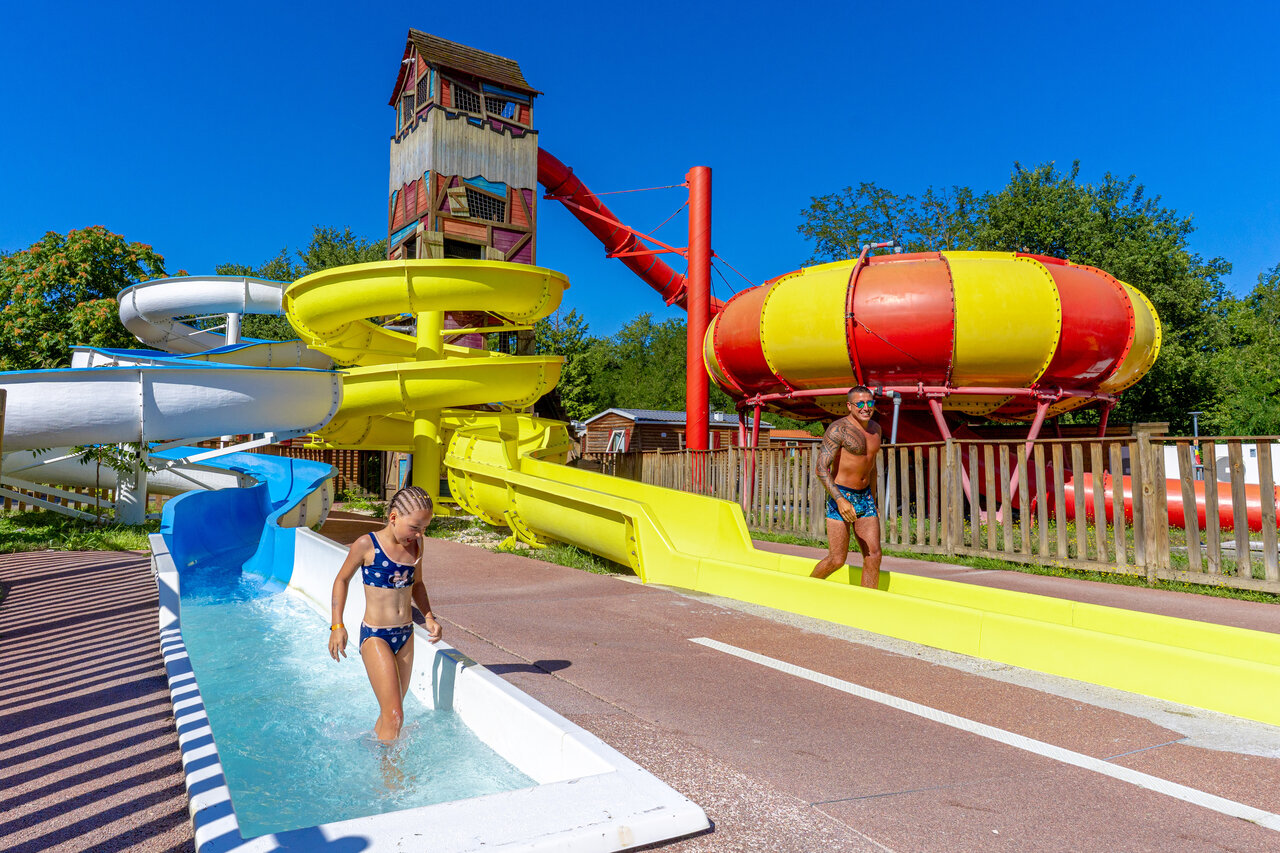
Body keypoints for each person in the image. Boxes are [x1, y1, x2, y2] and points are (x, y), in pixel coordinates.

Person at [328, 485, 443, 741]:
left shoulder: (417, 546)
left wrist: (429, 616)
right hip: (376, 636)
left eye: (424, 528)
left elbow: (418, 584)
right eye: (414, 527)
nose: (419, 534)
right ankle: (392, 779)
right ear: (393, 518)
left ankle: (376, 758)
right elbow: (341, 580)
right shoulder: (367, 544)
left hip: (405, 636)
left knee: (391, 713)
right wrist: (337, 625)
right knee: (395, 715)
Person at [811, 386, 883, 587]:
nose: (865, 407)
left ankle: (866, 607)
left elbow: (873, 468)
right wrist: (840, 500)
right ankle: (806, 589)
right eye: (860, 403)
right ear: (849, 406)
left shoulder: (876, 429)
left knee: (874, 555)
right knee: (837, 559)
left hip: (865, 497)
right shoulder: (838, 429)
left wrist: (874, 500)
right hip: (841, 495)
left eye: (869, 403)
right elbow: (821, 468)